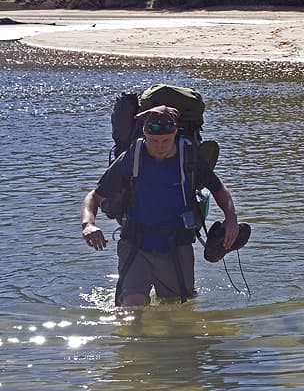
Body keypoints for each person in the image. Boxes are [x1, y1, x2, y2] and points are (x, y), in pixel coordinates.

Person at [81, 104, 240, 306]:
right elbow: (94, 197)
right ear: (145, 134)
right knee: (131, 306)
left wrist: (231, 218)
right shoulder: (132, 157)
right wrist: (89, 224)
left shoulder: (189, 156)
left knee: (174, 309)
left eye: (166, 140)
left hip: (176, 244)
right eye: (154, 141)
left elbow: (218, 188)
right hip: (135, 243)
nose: (160, 146)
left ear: (175, 133)